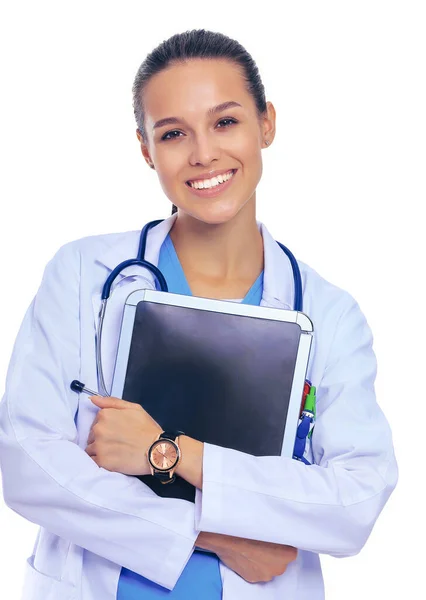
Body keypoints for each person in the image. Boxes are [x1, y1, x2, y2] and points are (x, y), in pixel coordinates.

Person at [0, 28, 398, 600]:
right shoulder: (84, 276)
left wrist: (168, 451)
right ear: (146, 150)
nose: (203, 153)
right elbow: (30, 466)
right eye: (173, 133)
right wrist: (212, 533)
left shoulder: (330, 316)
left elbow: (355, 501)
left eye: (225, 121)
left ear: (267, 124)